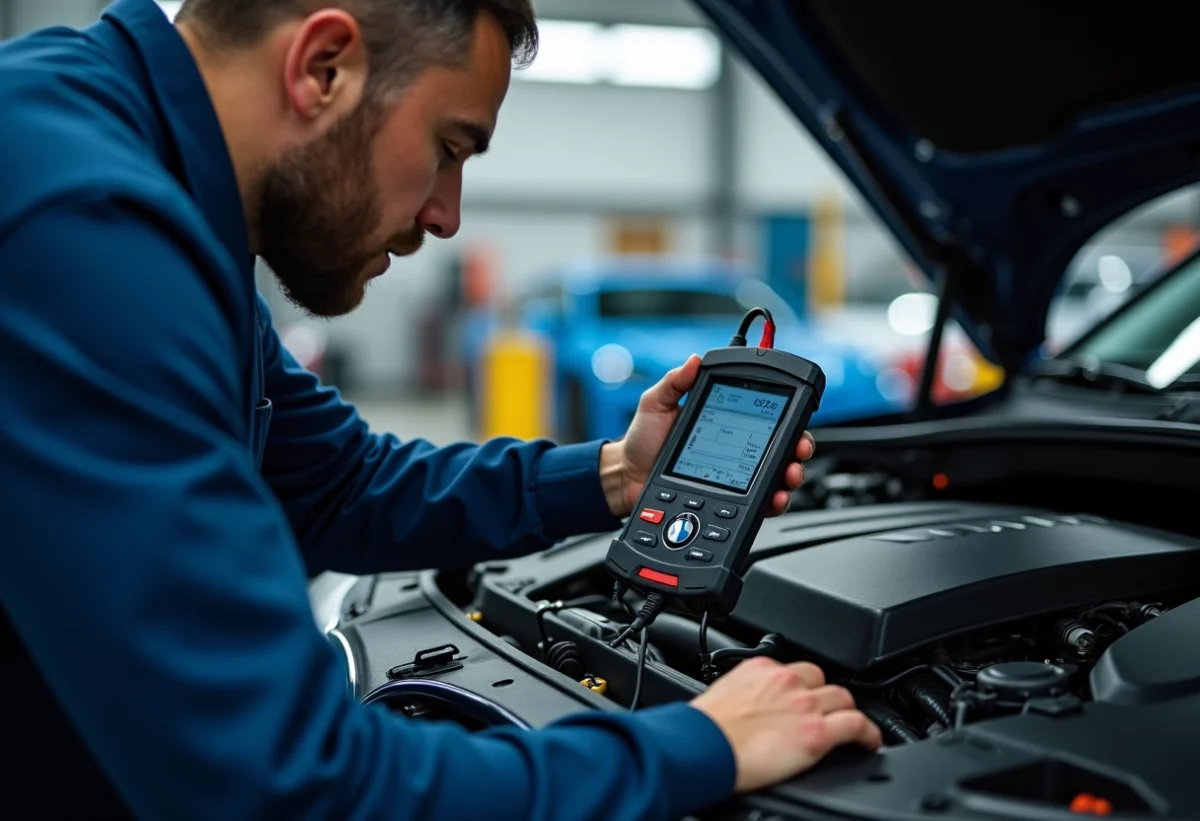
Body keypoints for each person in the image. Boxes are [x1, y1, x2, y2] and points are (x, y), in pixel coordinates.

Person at [0, 0, 882, 818]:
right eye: (450, 147)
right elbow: (288, 784)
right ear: (323, 69)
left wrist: (617, 472)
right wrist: (699, 743)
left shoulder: (140, 185)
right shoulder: (84, 225)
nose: (447, 214)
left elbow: (335, 486)